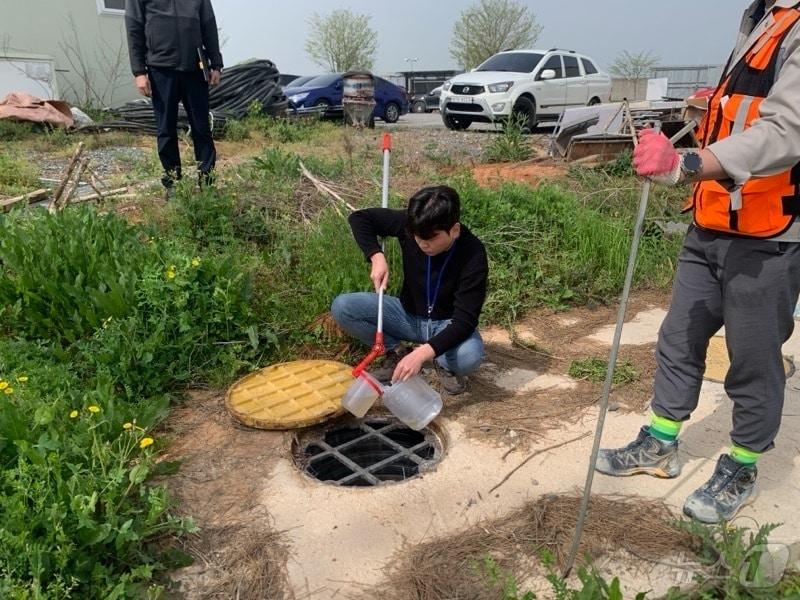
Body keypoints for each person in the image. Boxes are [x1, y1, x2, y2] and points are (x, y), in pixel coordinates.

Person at [596, 0, 800, 524]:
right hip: (712, 218)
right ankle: (661, 443)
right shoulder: (759, 16)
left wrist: (687, 161)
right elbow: (751, 107)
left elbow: (786, 132)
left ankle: (744, 466)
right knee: (679, 336)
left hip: (769, 231)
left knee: (753, 357)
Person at [331, 186, 488, 395]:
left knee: (469, 356)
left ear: (455, 230)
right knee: (343, 307)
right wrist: (376, 256)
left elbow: (465, 321)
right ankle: (396, 351)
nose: (423, 244)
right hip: (406, 316)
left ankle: (442, 362)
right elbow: (360, 218)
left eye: (431, 239)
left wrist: (423, 354)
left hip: (445, 323)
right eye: (417, 237)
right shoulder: (413, 224)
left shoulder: (473, 254)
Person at [125, 0, 223, 192]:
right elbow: (134, 28)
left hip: (195, 67)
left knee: (202, 129)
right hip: (161, 68)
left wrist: (216, 64)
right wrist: (139, 72)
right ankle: (173, 186)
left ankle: (207, 184)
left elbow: (209, 26)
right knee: (166, 130)